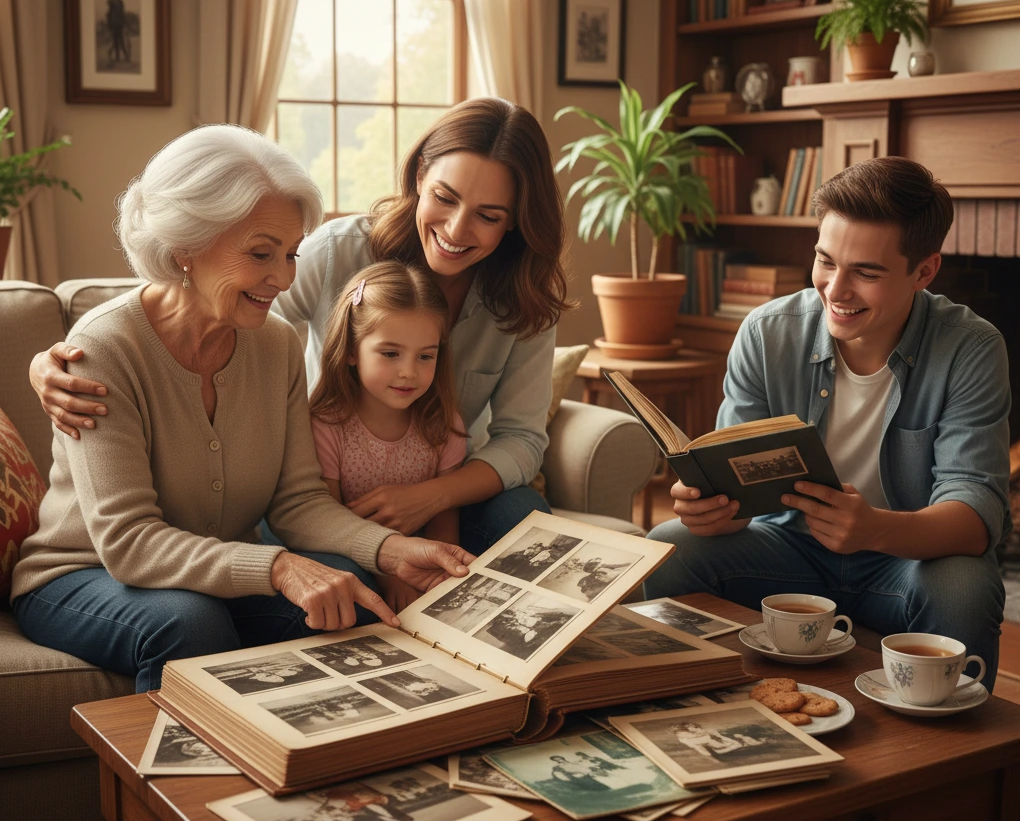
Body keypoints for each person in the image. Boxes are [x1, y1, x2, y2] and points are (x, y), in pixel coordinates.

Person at [10, 125, 471, 693]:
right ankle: (184, 781)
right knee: (187, 621)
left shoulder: (277, 345)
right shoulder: (101, 350)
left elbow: (298, 500)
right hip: (81, 575)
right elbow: (128, 543)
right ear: (186, 245)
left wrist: (393, 551)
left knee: (353, 595)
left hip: (207, 578)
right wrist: (278, 567)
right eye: (260, 254)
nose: (283, 277)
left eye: (291, 253)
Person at [29, 97, 573, 556]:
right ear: (419, 178)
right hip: (324, 490)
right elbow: (220, 305)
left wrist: (435, 495)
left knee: (526, 519)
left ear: (518, 219)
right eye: (444, 198)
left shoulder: (525, 296)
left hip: (449, 493)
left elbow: (523, 439)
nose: (456, 230)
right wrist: (63, 357)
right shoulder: (342, 251)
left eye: (489, 216)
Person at [644, 156, 1010, 689]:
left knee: (965, 586)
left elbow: (976, 514)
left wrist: (876, 529)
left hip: (903, 560)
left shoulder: (971, 349)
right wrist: (712, 509)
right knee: (668, 547)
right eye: (825, 260)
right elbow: (738, 495)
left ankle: (956, 759)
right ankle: (679, 701)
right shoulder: (767, 334)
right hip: (785, 548)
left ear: (924, 271)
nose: (835, 290)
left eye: (866, 271)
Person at [308, 261, 467, 611]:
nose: (409, 372)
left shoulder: (442, 424)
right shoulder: (326, 425)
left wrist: (444, 578)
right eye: (390, 353)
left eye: (425, 356)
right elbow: (328, 519)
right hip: (354, 555)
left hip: (422, 559)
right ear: (351, 349)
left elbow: (444, 520)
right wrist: (390, 574)